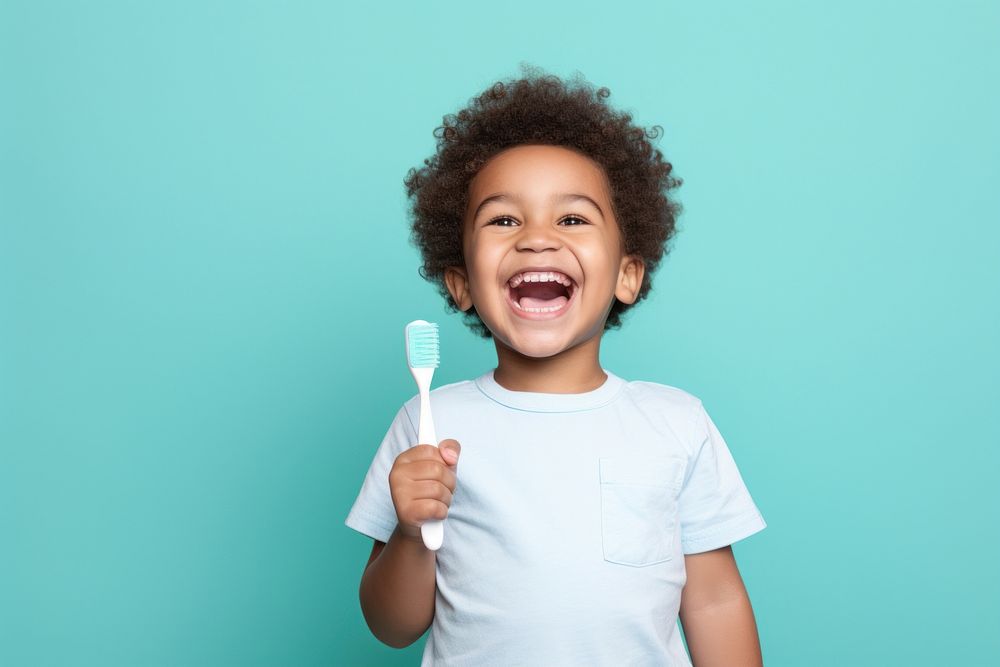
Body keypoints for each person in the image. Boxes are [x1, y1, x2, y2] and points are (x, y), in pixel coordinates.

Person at [345, 64, 767, 666]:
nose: (536, 238)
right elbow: (392, 626)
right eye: (504, 219)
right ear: (461, 283)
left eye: (571, 218)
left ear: (626, 274)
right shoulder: (429, 423)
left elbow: (715, 601)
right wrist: (412, 535)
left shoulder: (676, 422)